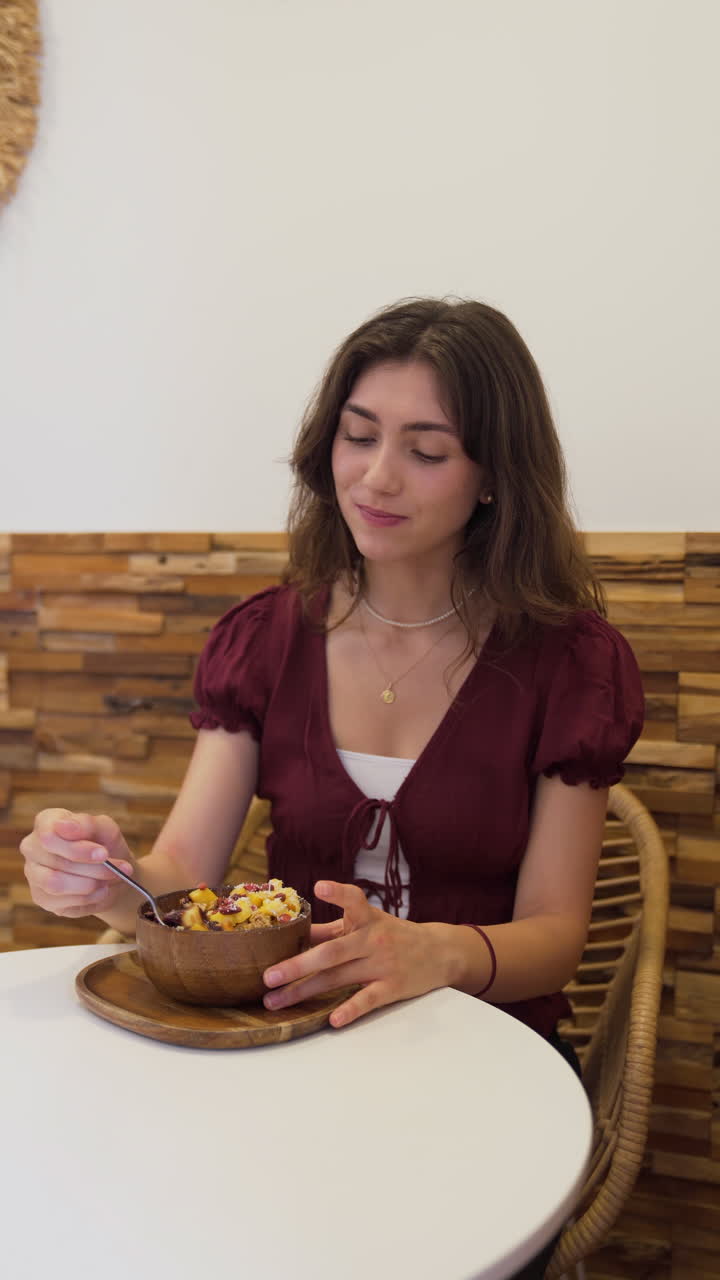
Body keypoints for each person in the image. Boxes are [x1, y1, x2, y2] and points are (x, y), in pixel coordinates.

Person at [20, 297, 643, 1278]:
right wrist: (107, 879)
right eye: (358, 436)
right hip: (283, 1048)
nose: (376, 476)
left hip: (479, 1066)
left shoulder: (570, 661)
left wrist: (430, 950)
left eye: (427, 450)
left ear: (494, 478)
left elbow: (557, 936)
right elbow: (185, 867)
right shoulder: (263, 636)